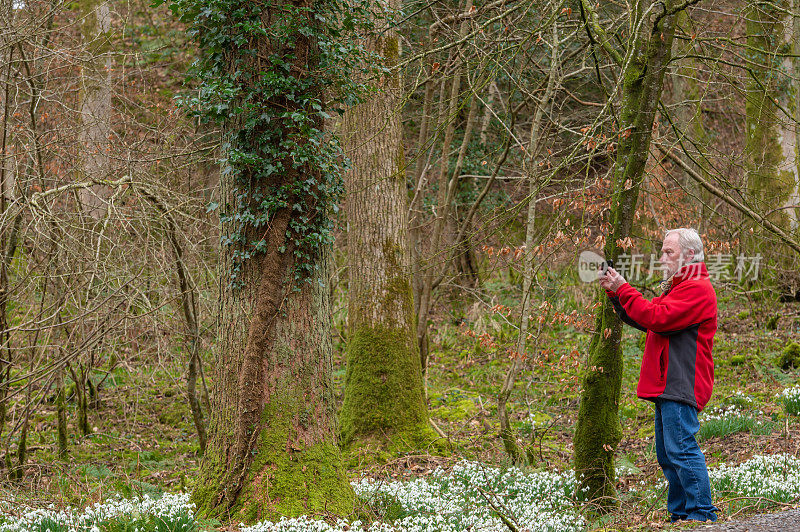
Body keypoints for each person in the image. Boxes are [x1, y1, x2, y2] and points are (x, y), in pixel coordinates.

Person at [599, 228, 719, 523]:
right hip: (669, 382)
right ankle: (680, 516)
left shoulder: (697, 288)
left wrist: (625, 288)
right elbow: (650, 316)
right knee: (668, 455)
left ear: (689, 255)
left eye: (669, 252)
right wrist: (617, 292)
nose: (662, 258)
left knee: (681, 450)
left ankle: (701, 516)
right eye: (662, 251)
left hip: (681, 381)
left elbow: (657, 318)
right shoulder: (679, 287)